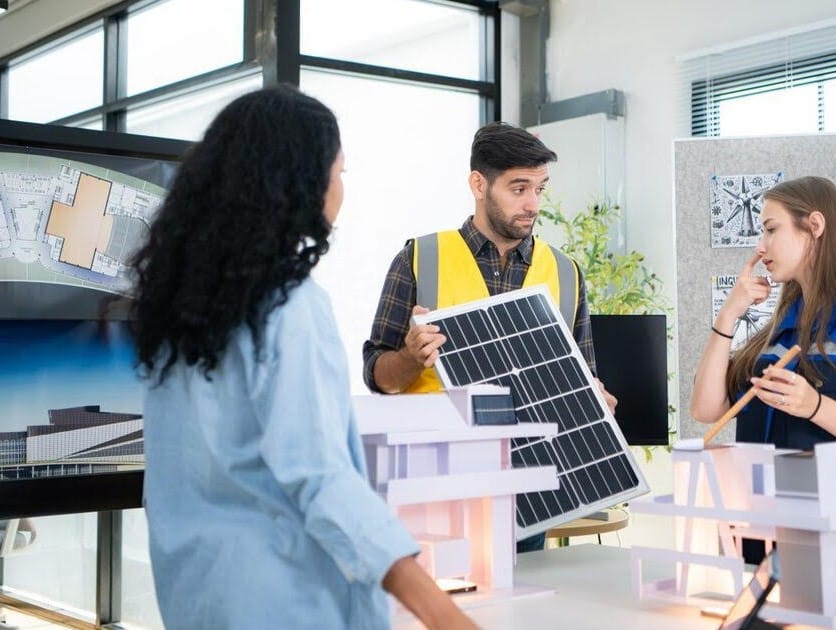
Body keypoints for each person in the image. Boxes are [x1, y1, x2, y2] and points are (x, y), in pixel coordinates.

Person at [131, 85, 476, 629]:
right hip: (288, 600)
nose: (341, 188)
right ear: (299, 182)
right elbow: (320, 478)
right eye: (339, 172)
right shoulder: (289, 305)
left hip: (197, 597)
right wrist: (447, 616)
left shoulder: (178, 308)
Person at [362, 121, 616, 553]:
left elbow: (585, 377)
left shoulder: (567, 273)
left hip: (527, 486)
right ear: (478, 184)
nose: (533, 203)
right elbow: (379, 377)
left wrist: (596, 398)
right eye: (519, 189)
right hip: (434, 480)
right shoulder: (419, 259)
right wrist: (408, 356)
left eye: (540, 189)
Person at [690, 175, 836, 582]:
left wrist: (815, 406)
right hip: (765, 549)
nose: (760, 247)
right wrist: (729, 315)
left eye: (770, 229)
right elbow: (706, 408)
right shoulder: (779, 333)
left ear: (814, 226)